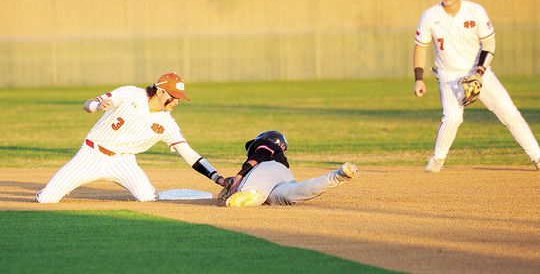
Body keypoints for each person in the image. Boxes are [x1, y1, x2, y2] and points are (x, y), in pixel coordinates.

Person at [413, 0, 540, 172]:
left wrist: (479, 73)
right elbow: (420, 47)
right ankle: (437, 160)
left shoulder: (475, 11)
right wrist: (419, 79)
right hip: (449, 75)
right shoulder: (430, 16)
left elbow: (489, 43)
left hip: (479, 72)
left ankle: (537, 157)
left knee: (509, 113)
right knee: (453, 118)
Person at [36, 72, 226, 203]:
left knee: (147, 197)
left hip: (123, 161)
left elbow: (188, 154)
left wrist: (217, 178)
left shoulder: (168, 124)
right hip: (92, 154)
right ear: (160, 91)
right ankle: (66, 183)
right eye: (173, 96)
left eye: (179, 98)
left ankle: (177, 193)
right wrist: (96, 106)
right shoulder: (130, 94)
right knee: (46, 200)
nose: (176, 101)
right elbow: (89, 103)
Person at [218, 130, 359, 207]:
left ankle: (249, 192)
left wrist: (238, 176)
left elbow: (260, 155)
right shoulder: (282, 159)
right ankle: (338, 176)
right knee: (290, 194)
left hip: (267, 168)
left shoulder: (265, 143)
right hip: (284, 176)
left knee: (253, 192)